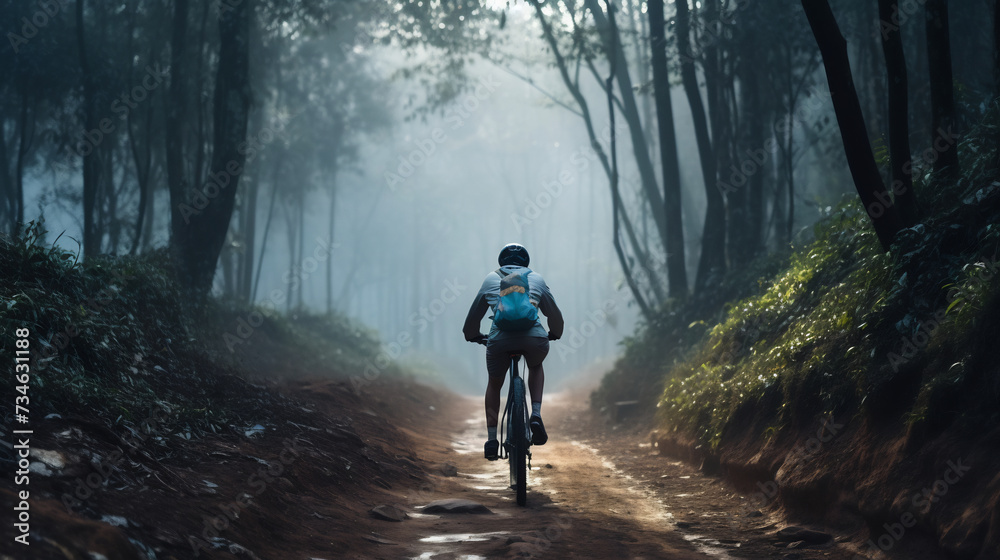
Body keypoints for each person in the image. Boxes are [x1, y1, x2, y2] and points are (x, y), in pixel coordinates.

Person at [463, 243, 564, 460]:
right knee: (535, 365)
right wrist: (555, 333)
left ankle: (491, 439)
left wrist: (472, 335)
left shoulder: (491, 279)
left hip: (499, 340)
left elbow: (473, 317)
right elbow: (554, 314)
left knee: (495, 382)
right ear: (526, 262)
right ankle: (535, 415)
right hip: (534, 338)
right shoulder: (536, 279)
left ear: (502, 261)